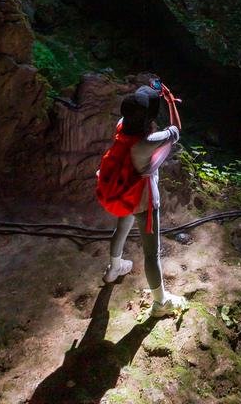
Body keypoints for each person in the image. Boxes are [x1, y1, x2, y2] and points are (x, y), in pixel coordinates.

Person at [102, 80, 188, 317]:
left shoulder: (122, 126)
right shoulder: (147, 142)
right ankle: (161, 303)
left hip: (124, 191)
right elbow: (176, 129)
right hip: (143, 200)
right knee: (151, 253)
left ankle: (114, 268)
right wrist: (170, 102)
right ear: (148, 118)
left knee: (121, 227)